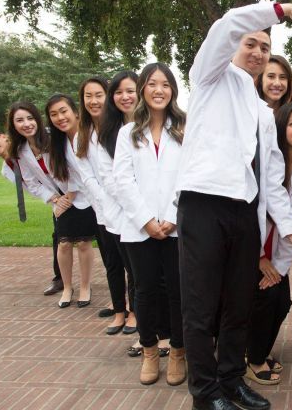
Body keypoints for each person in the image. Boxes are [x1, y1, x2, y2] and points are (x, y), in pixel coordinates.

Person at [175, 2, 292, 410]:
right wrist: (281, 10)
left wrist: (289, 228)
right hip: (203, 204)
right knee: (201, 307)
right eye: (251, 44)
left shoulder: (261, 111)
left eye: (265, 48)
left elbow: (272, 177)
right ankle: (205, 393)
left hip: (245, 213)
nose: (257, 52)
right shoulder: (211, 76)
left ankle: (231, 380)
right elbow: (227, 25)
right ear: (234, 46)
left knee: (239, 304)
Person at [113, 62, 187, 386]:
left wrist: (170, 218)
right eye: (153, 84)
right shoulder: (128, 132)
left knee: (177, 291)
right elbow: (122, 180)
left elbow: (189, 174)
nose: (159, 90)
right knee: (144, 292)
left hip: (176, 228)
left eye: (165, 84)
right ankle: (149, 351)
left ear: (173, 90)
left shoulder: (185, 127)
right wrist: (145, 220)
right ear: (143, 88)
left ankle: (179, 352)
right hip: (138, 228)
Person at [245, 102, 292, 386]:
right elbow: (252, 212)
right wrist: (260, 259)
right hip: (254, 246)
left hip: (281, 248)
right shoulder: (261, 161)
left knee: (281, 300)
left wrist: (278, 266)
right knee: (264, 300)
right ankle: (253, 359)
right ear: (280, 127)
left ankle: (255, 351)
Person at [71, 76, 133, 335]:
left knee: (133, 266)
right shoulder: (81, 136)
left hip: (126, 210)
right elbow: (87, 176)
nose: (94, 101)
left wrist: (118, 203)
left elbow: (117, 175)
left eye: (99, 95)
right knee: (112, 264)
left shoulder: (117, 130)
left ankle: (135, 312)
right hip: (103, 211)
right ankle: (120, 310)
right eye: (88, 96)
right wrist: (104, 204)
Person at [0, 127, 64, 296]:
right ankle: (60, 278)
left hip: (71, 189)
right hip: (56, 198)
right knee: (59, 238)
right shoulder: (6, 170)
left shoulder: (27, 149)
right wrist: (54, 199)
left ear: (3, 136)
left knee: (96, 236)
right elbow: (31, 188)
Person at [43, 94, 99, 309]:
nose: (60, 117)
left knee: (85, 243)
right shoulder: (55, 143)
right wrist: (63, 198)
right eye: (54, 114)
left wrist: (72, 194)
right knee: (64, 242)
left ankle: (85, 286)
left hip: (90, 199)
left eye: (63, 111)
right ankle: (67, 287)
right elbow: (56, 173)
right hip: (68, 196)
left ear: (75, 112)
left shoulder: (90, 135)